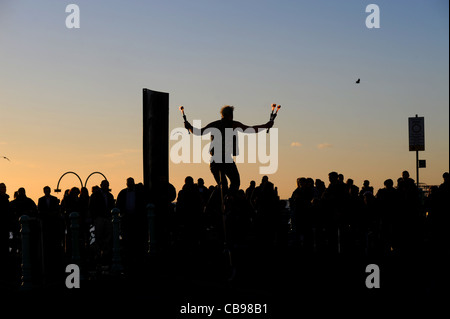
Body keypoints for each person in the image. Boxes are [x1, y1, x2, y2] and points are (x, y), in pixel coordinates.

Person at [184, 105, 273, 196]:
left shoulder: (215, 124)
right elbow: (250, 129)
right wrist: (266, 126)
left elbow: (199, 132)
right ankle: (227, 199)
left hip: (215, 160)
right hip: (225, 159)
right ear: (229, 115)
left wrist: (189, 126)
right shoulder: (233, 124)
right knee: (234, 182)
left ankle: (221, 201)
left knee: (223, 186)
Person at [89, 180, 115, 266]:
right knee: (100, 236)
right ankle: (100, 254)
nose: (106, 187)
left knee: (105, 237)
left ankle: (103, 255)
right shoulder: (102, 195)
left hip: (105, 218)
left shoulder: (106, 195)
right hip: (100, 217)